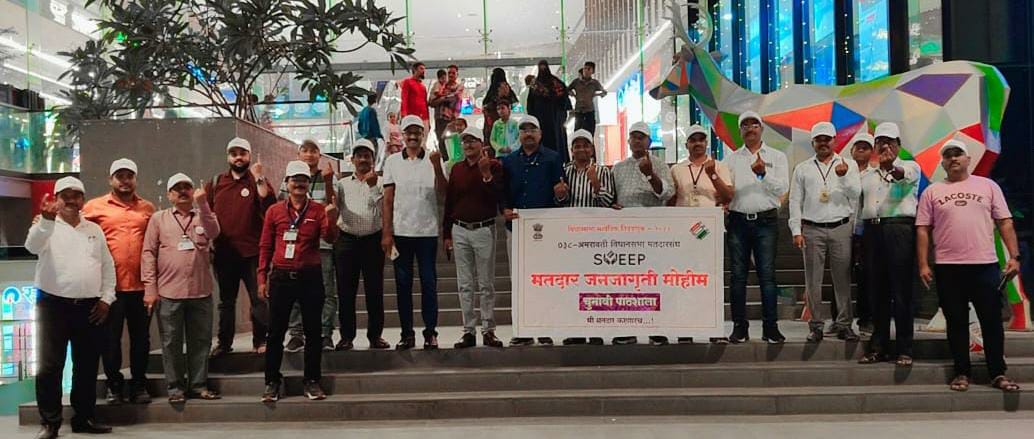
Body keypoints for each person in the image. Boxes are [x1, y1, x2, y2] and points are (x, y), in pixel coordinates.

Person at [916, 140, 1022, 393]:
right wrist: (923, 264)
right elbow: (922, 229)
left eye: (958, 154)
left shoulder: (988, 186)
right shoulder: (932, 191)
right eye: (948, 155)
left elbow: (1005, 222)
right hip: (948, 267)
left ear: (968, 159)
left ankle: (997, 372)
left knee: (991, 321)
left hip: (984, 265)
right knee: (956, 322)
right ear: (943, 163)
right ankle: (961, 372)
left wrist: (1014, 257)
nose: (953, 158)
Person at [27, 177, 115, 439]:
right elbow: (31, 246)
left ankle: (84, 417)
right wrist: (45, 221)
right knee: (49, 366)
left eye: (76, 195)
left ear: (83, 200)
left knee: (86, 366)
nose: (71, 200)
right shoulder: (45, 226)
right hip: (52, 305)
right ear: (56, 199)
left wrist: (106, 299)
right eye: (65, 196)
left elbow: (107, 266)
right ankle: (50, 423)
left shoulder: (94, 230)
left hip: (89, 307)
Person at [259, 161, 340, 402]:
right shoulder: (274, 211)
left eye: (303, 179)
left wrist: (332, 219)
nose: (299, 184)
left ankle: (312, 381)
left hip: (310, 277)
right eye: (295, 179)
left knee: (313, 332)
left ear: (308, 183)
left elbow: (330, 238)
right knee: (275, 333)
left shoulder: (318, 210)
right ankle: (272, 382)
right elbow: (265, 246)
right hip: (281, 277)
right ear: (287, 183)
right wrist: (262, 277)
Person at [141, 173, 222, 404]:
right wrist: (150, 288)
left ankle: (198, 385)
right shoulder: (158, 219)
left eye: (187, 187)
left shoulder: (203, 216)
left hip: (200, 291)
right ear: (169, 195)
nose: (183, 191)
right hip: (169, 293)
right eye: (177, 188)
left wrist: (203, 204)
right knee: (171, 343)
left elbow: (214, 232)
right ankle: (175, 387)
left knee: (201, 341)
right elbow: (148, 253)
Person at [82, 158, 156, 405]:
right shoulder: (94, 207)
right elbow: (74, 227)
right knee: (110, 340)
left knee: (141, 340)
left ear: (135, 179)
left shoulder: (147, 208)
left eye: (129, 176)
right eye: (120, 176)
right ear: (110, 179)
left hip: (141, 287)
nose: (125, 181)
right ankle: (114, 386)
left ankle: (139, 385)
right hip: (109, 289)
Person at [788, 122, 861, 343]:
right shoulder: (803, 168)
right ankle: (816, 325)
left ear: (834, 141)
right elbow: (795, 200)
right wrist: (796, 229)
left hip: (841, 227)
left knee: (842, 279)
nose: (823, 143)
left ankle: (844, 325)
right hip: (812, 229)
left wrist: (844, 177)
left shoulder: (849, 165)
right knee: (813, 280)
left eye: (827, 139)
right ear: (813, 143)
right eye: (818, 140)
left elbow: (856, 194)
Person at [855, 123, 921, 365]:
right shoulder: (867, 176)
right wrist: (858, 238)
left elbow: (904, 176)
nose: (884, 146)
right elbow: (860, 208)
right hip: (872, 231)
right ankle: (878, 346)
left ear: (898, 145)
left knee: (902, 291)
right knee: (877, 291)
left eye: (889, 142)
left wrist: (892, 166)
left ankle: (905, 348)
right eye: (880, 142)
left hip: (899, 228)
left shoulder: (910, 167)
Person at [382, 115, 448, 350]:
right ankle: (407, 334)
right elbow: (387, 199)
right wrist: (387, 232)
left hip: (427, 232)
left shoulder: (434, 159)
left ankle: (430, 333)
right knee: (403, 285)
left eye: (417, 132)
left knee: (429, 283)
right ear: (402, 135)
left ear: (423, 135)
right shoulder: (392, 162)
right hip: (401, 232)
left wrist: (437, 166)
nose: (412, 136)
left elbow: (443, 194)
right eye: (408, 132)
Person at [206, 137, 276, 357]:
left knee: (259, 299)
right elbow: (205, 215)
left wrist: (259, 177)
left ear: (249, 156)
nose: (238, 157)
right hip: (224, 254)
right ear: (228, 157)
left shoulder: (257, 181)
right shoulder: (216, 183)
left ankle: (261, 340)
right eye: (234, 153)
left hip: (253, 253)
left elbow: (270, 205)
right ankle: (224, 343)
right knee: (226, 302)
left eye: (242, 153)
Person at [502, 114, 566, 346]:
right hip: (517, 228)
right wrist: (504, 209)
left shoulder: (553, 158)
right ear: (519, 135)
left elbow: (560, 193)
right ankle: (522, 330)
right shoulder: (509, 161)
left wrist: (561, 195)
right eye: (524, 130)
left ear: (540, 134)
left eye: (532, 130)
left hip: (544, 231)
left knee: (543, 279)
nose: (528, 134)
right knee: (518, 280)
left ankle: (543, 327)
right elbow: (503, 192)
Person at [726, 111, 789, 344]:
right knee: (737, 277)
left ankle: (770, 328)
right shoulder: (731, 159)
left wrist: (763, 174)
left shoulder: (777, 156)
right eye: (745, 125)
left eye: (754, 124)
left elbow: (782, 188)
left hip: (766, 222)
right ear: (740, 131)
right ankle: (739, 327)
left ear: (761, 129)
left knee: (767, 276)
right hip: (738, 222)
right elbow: (726, 190)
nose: (750, 128)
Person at [610, 121, 675, 346]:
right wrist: (612, 205)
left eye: (641, 137)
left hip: (652, 234)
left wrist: (650, 175)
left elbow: (667, 193)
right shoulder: (619, 168)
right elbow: (612, 197)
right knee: (626, 282)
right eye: (633, 137)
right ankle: (626, 329)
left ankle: (656, 328)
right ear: (628, 141)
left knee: (652, 280)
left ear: (649, 141)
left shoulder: (660, 165)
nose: (637, 141)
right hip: (624, 235)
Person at [669, 125, 733, 345]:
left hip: (709, 232)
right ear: (686, 144)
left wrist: (712, 174)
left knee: (712, 280)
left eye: (701, 139)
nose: (697, 143)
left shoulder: (719, 166)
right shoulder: (677, 169)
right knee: (684, 280)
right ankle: (685, 328)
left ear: (707, 143)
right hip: (684, 233)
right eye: (693, 140)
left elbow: (728, 196)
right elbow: (670, 199)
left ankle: (714, 328)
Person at [444, 127, 506, 348]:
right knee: (465, 284)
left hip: (483, 229)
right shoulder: (457, 169)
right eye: (465, 141)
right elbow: (449, 202)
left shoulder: (494, 165)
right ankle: (468, 330)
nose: (468, 145)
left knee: (486, 283)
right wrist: (446, 234)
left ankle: (488, 329)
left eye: (473, 141)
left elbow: (498, 197)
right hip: (460, 229)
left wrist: (486, 174)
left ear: (482, 143)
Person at [277, 140, 338, 353]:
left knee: (327, 291)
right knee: (294, 292)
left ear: (320, 155)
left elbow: (334, 205)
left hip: (323, 244)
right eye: (305, 150)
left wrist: (328, 181)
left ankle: (325, 334)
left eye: (314, 151)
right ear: (298, 154)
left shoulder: (328, 177)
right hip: (296, 244)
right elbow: (281, 207)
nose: (309, 154)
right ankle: (296, 334)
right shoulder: (288, 179)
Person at [557, 129, 615, 346]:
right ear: (572, 150)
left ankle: (595, 328)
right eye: (577, 146)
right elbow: (560, 202)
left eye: (585, 145)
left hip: (596, 237)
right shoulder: (564, 171)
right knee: (574, 283)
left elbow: (609, 202)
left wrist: (596, 185)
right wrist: (560, 195)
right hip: (571, 238)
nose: (581, 149)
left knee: (595, 283)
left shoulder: (603, 171)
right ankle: (576, 329)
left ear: (592, 149)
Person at [334, 139, 390, 350]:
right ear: (353, 159)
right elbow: (335, 208)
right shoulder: (342, 184)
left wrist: (373, 186)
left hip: (372, 240)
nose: (363, 159)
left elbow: (385, 209)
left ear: (373, 159)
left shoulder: (381, 182)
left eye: (367, 156)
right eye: (359, 156)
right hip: (347, 240)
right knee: (345, 292)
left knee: (374, 290)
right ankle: (346, 336)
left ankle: (375, 336)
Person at [848, 133, 875, 336]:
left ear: (871, 152)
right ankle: (840, 321)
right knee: (840, 276)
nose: (861, 150)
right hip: (842, 228)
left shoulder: (875, 175)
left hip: (866, 231)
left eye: (866, 147)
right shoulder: (841, 171)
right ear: (851, 150)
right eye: (858, 146)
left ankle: (866, 319)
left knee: (866, 276)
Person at [526, 60, 572, 162]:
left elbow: (564, 101)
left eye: (544, 67)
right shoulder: (534, 86)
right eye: (541, 67)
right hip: (541, 121)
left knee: (557, 143)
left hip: (555, 121)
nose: (543, 70)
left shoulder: (556, 83)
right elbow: (530, 105)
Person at [430, 64, 465, 158]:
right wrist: (442, 99)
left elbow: (453, 99)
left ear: (457, 74)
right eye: (449, 73)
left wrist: (441, 98)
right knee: (441, 143)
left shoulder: (459, 87)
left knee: (451, 144)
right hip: (439, 118)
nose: (451, 75)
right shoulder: (440, 85)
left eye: (453, 73)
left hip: (451, 119)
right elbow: (431, 102)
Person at [568, 61, 607, 135]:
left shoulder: (595, 83)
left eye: (588, 69)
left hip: (590, 111)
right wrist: (571, 94)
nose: (586, 71)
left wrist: (596, 94)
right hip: (579, 111)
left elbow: (604, 92)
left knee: (590, 133)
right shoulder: (576, 82)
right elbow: (567, 90)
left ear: (593, 71)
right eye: (584, 68)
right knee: (577, 132)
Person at [482, 68, 520, 140]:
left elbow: (485, 104)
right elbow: (514, 103)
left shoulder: (493, 88)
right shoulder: (506, 86)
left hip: (491, 118)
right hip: (502, 117)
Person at [399, 62, 430, 136]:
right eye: (421, 69)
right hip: (412, 116)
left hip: (424, 117)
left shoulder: (423, 86)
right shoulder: (408, 82)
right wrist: (404, 115)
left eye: (424, 69)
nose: (423, 71)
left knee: (424, 138)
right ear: (415, 70)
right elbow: (404, 99)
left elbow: (425, 103)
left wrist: (428, 120)